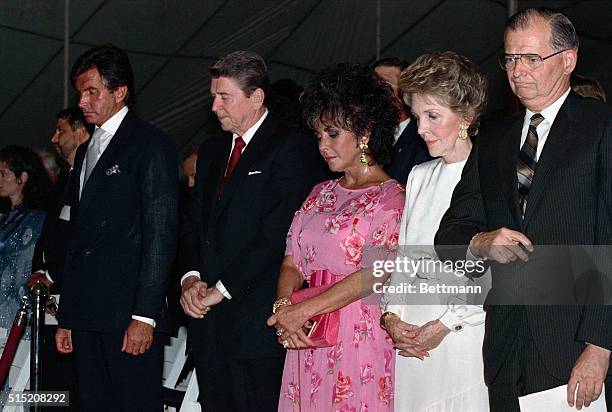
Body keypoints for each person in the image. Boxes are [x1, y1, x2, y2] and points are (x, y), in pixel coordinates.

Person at [435, 8, 612, 411]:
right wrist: (481, 242)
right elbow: (450, 233)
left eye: (532, 58)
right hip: (505, 347)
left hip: (575, 344)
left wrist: (600, 347)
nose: (518, 71)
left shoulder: (602, 127)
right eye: (511, 59)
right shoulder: (494, 139)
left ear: (568, 60)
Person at [178, 50, 326, 411]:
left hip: (255, 325)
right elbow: (192, 224)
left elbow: (277, 234)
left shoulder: (292, 148)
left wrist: (222, 289)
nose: (214, 107)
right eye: (213, 96)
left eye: (224, 96)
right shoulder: (212, 151)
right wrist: (190, 279)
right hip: (209, 326)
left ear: (256, 97)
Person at [267, 63, 405, 411]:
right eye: (318, 136)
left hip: (359, 337)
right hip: (308, 332)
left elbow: (378, 272)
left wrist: (303, 310)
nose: (323, 145)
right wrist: (285, 308)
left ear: (365, 133)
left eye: (332, 134)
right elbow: (291, 260)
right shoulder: (319, 192)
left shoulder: (391, 198)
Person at [54, 44, 178, 411]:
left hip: (128, 314)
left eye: (92, 91)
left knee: (133, 403)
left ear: (119, 91)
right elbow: (78, 237)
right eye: (80, 92)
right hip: (87, 313)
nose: (82, 101)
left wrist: (144, 315)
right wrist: (68, 317)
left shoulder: (151, 145)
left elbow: (161, 233)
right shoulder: (88, 149)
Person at [380, 52, 489, 411]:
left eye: (433, 116)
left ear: (466, 117)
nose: (421, 129)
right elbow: (404, 260)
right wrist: (392, 317)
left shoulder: (492, 175)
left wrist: (446, 325)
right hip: (412, 341)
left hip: (462, 340)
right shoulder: (418, 175)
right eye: (416, 117)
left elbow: (493, 269)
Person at [0, 145, 49, 405]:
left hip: (13, 310)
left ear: (23, 178)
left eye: (3, 173)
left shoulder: (37, 219)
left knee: (14, 385)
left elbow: (25, 267)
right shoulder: (5, 217)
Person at [373, 57, 431, 184]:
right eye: (372, 85)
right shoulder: (366, 137)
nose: (375, 93)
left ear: (404, 93)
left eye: (385, 85)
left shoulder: (423, 139)